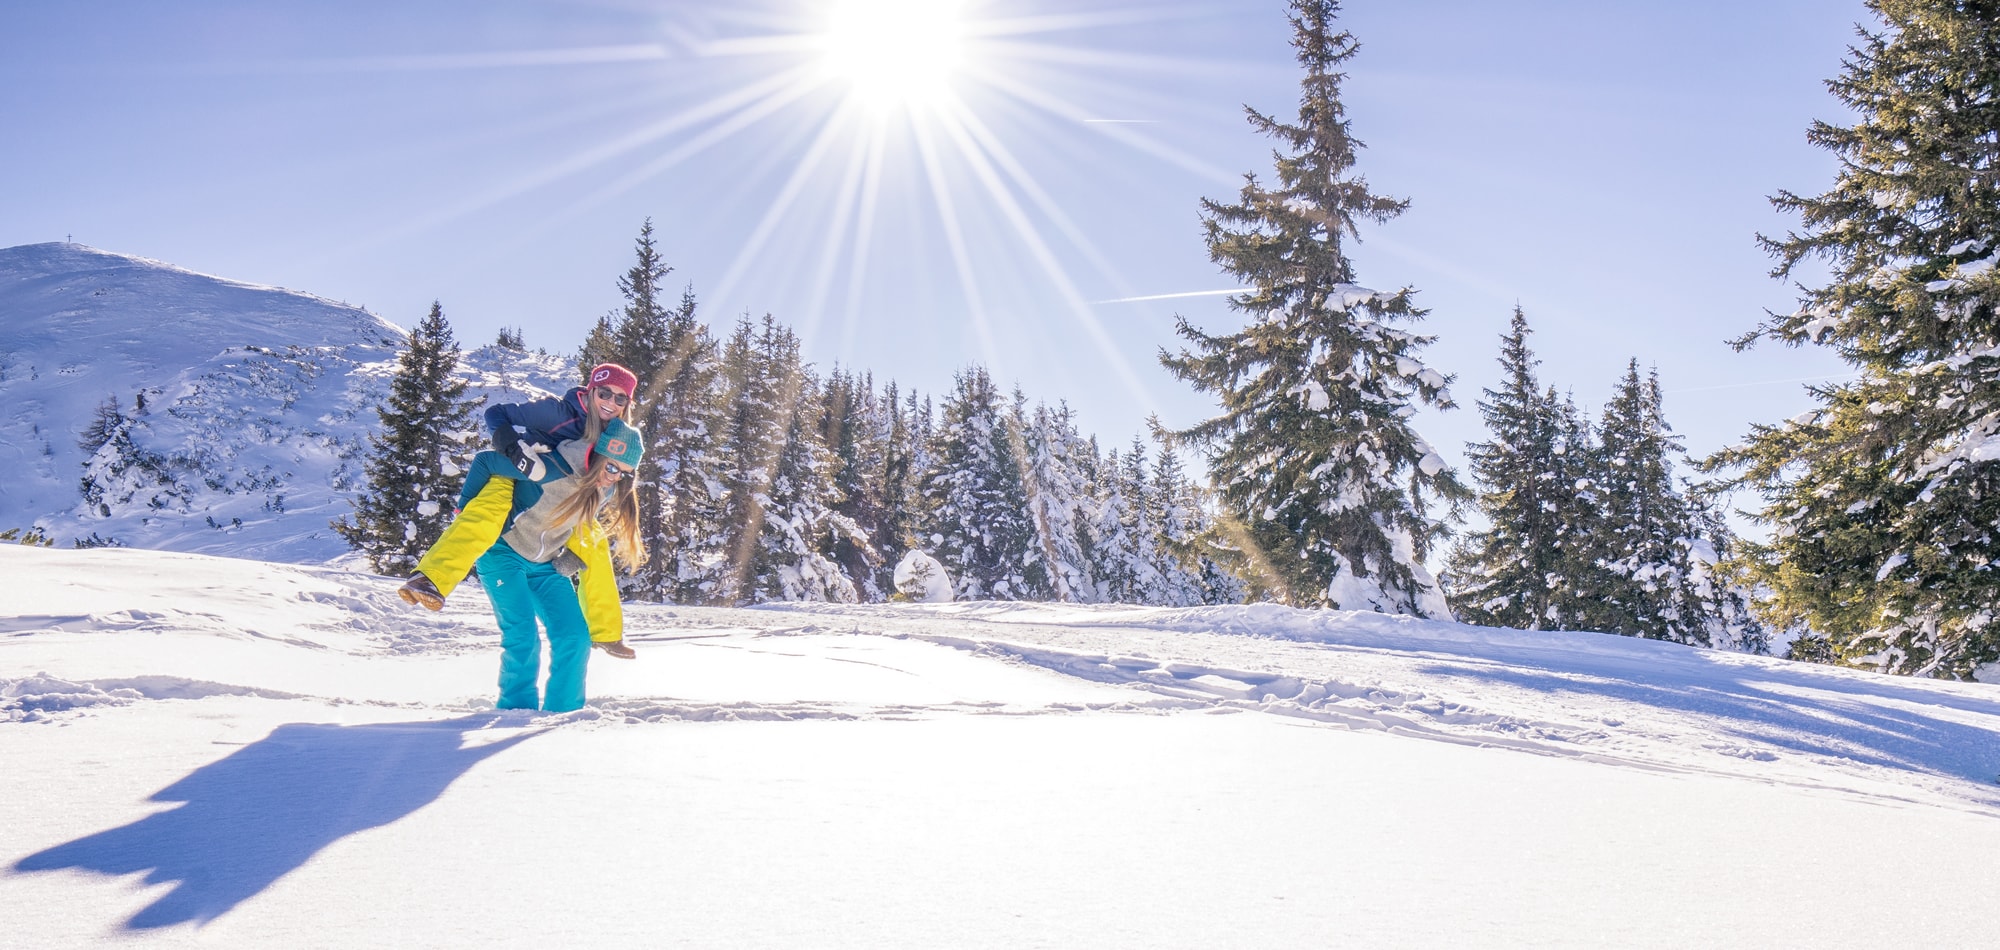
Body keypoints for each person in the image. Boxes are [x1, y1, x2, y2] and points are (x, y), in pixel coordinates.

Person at [398, 362, 638, 609]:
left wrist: (573, 554)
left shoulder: (615, 434)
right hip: (515, 474)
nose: (611, 402)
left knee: (593, 536)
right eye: (604, 393)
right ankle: (429, 579)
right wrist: (514, 450)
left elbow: (601, 490)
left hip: (551, 495)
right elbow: (495, 414)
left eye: (620, 399)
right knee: (488, 515)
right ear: (591, 391)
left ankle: (606, 632)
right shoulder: (558, 412)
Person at [458, 417, 648, 711]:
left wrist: (574, 556)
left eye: (623, 474)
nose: (613, 477)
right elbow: (486, 461)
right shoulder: (554, 467)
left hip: (545, 564)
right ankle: (515, 711)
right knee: (522, 635)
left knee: (575, 637)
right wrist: (464, 512)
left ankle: (564, 714)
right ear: (598, 454)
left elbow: (582, 525)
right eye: (611, 467)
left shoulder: (605, 489)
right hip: (504, 552)